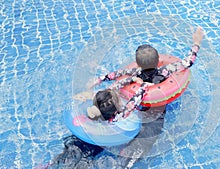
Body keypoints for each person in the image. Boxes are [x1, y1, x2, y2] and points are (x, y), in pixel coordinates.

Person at [45, 26, 205, 169]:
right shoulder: (166, 71)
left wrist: (99, 80)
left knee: (89, 142)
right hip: (149, 118)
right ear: (158, 61)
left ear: (137, 63)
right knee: (142, 144)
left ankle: (57, 161)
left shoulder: (131, 75)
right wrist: (196, 42)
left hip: (120, 117)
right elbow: (188, 62)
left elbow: (115, 75)